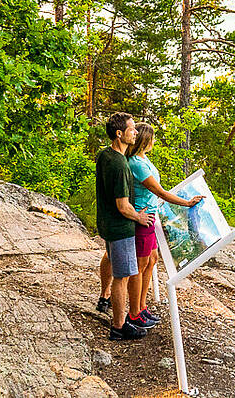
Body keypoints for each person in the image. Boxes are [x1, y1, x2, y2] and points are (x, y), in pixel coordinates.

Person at [123, 122, 205, 328]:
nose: (154, 141)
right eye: (152, 137)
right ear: (145, 140)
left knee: (152, 260)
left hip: (150, 216)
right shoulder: (137, 164)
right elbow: (160, 192)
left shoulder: (144, 158)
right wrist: (186, 203)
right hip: (142, 218)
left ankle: (142, 307)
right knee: (139, 267)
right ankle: (134, 313)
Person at [94, 112, 154, 341]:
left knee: (116, 268)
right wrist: (138, 218)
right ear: (120, 134)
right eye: (132, 129)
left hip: (108, 224)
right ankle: (119, 326)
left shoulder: (105, 155)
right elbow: (122, 205)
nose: (136, 132)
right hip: (120, 228)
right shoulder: (119, 165)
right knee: (122, 277)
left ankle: (115, 314)